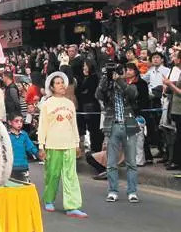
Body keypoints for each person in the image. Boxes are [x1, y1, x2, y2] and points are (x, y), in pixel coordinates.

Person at [38, 71, 87, 218]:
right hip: (53, 144)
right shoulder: (47, 104)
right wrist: (41, 146)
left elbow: (74, 125)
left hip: (69, 144)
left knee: (70, 175)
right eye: (58, 83)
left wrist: (77, 143)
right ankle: (49, 199)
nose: (61, 85)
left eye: (62, 83)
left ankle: (72, 206)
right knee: (52, 174)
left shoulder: (70, 104)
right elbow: (42, 126)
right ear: (52, 87)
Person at [96, 63, 140, 203]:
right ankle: (113, 191)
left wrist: (119, 80)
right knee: (111, 163)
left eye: (117, 71)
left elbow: (133, 94)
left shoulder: (129, 85)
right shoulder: (107, 87)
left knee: (131, 162)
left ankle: (132, 191)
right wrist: (105, 79)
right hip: (112, 126)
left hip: (129, 126)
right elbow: (98, 95)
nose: (114, 74)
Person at [76, 59, 103, 153]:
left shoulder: (93, 77)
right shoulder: (85, 77)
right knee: (91, 129)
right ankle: (93, 148)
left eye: (85, 65)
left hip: (91, 106)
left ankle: (96, 148)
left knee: (94, 129)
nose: (84, 67)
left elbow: (87, 91)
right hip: (85, 105)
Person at [8, 112, 40, 182]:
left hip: (23, 167)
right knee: (12, 190)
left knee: (25, 188)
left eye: (21, 121)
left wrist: (38, 154)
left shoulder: (24, 135)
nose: (19, 123)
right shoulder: (7, 136)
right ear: (10, 122)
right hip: (10, 168)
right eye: (16, 121)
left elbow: (31, 147)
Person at [163, 49, 181, 171]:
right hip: (176, 109)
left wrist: (170, 84)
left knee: (178, 137)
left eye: (175, 57)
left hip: (179, 109)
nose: (173, 59)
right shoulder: (177, 72)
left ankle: (176, 161)